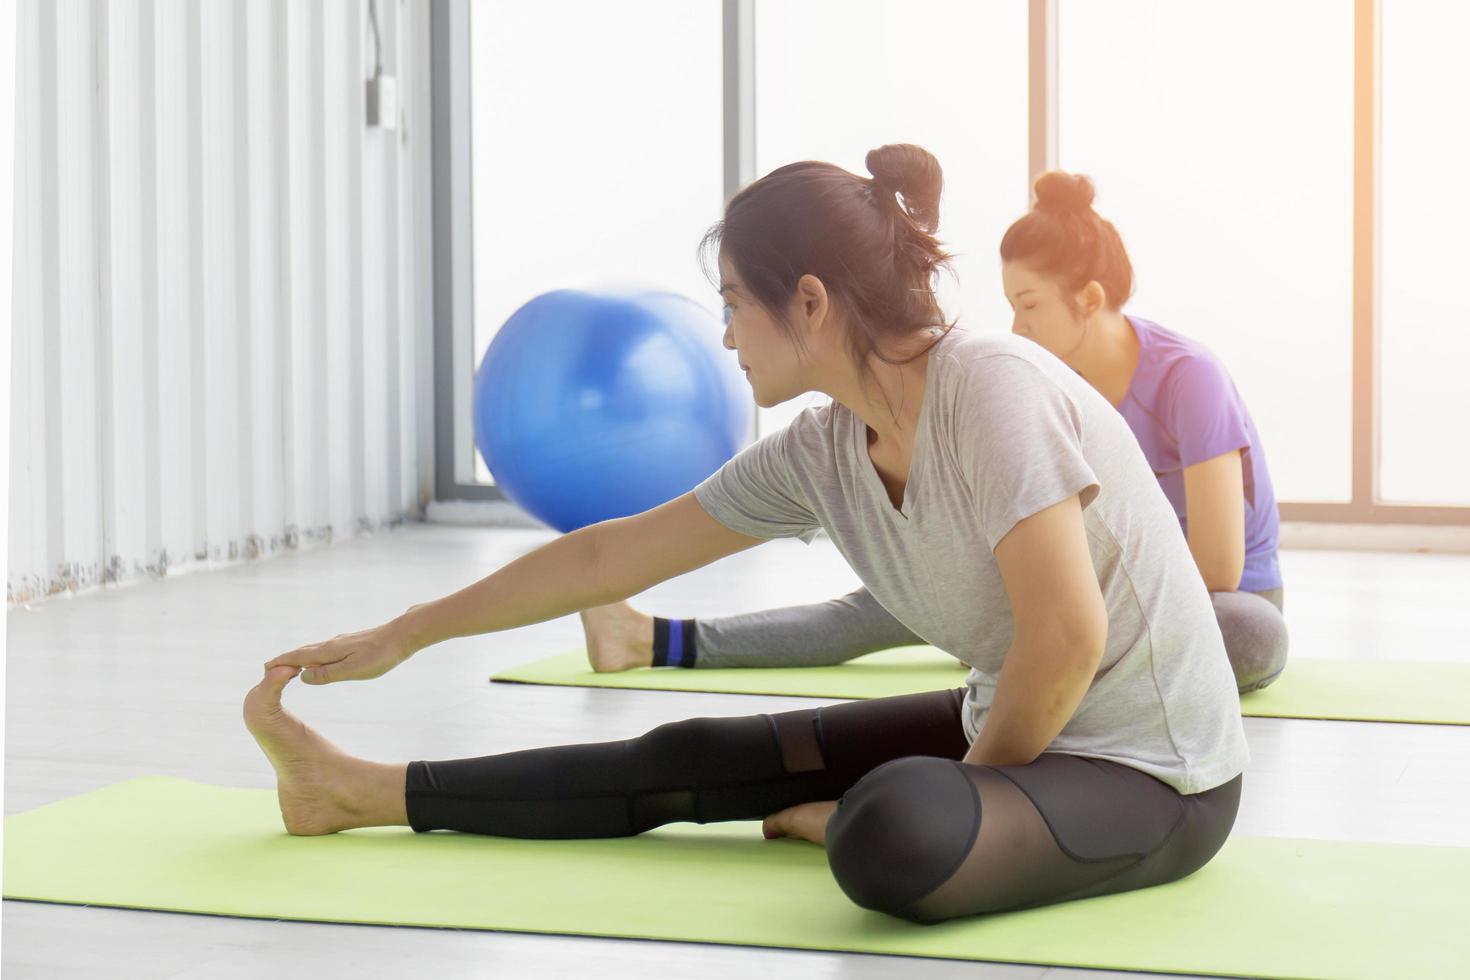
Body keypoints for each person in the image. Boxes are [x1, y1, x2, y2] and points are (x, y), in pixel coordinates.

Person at [248, 146, 1248, 924]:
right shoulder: (818, 451)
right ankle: (358, 790)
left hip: (1153, 772)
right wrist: (406, 632)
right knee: (694, 749)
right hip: (1022, 725)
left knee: (896, 827)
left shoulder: (989, 389)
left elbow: (1068, 639)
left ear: (808, 301)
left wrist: (968, 789)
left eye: (734, 305)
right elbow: (609, 555)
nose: (725, 336)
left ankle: (864, 815)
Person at [582, 170, 1289, 695]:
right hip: (1065, 585)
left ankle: (1037, 652)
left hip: (1197, 603)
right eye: (1010, 304)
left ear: (1092, 300)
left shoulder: (1185, 378)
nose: (1016, 326)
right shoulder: (1026, 381)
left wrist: (1051, 609)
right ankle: (656, 638)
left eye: (1032, 304)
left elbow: (1219, 568)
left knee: (1251, 637)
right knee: (884, 604)